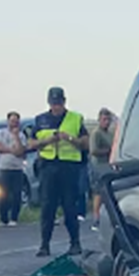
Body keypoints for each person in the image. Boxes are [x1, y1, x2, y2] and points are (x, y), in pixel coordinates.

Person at [31, 87, 88, 257]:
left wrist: (69, 138)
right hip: (48, 166)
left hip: (68, 167)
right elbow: (31, 144)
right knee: (47, 207)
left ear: (64, 101)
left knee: (70, 206)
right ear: (49, 103)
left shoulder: (75, 118)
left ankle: (75, 243)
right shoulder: (41, 120)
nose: (56, 106)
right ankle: (44, 245)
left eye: (59, 103)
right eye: (53, 103)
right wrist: (48, 140)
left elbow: (85, 143)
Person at [0, 111, 28, 227]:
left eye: (16, 121)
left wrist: (16, 137)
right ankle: (3, 219)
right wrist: (12, 150)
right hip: (4, 167)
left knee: (17, 194)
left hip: (17, 168)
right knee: (3, 194)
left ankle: (14, 218)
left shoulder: (21, 135)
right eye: (12, 121)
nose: (14, 123)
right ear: (8, 121)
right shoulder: (0, 133)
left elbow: (21, 151)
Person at [89, 108, 116, 226]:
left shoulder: (108, 133)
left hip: (107, 165)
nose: (107, 122)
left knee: (106, 190)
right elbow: (93, 150)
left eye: (108, 120)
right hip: (98, 166)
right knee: (98, 192)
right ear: (99, 119)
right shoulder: (96, 133)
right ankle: (96, 217)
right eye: (104, 119)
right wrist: (108, 151)